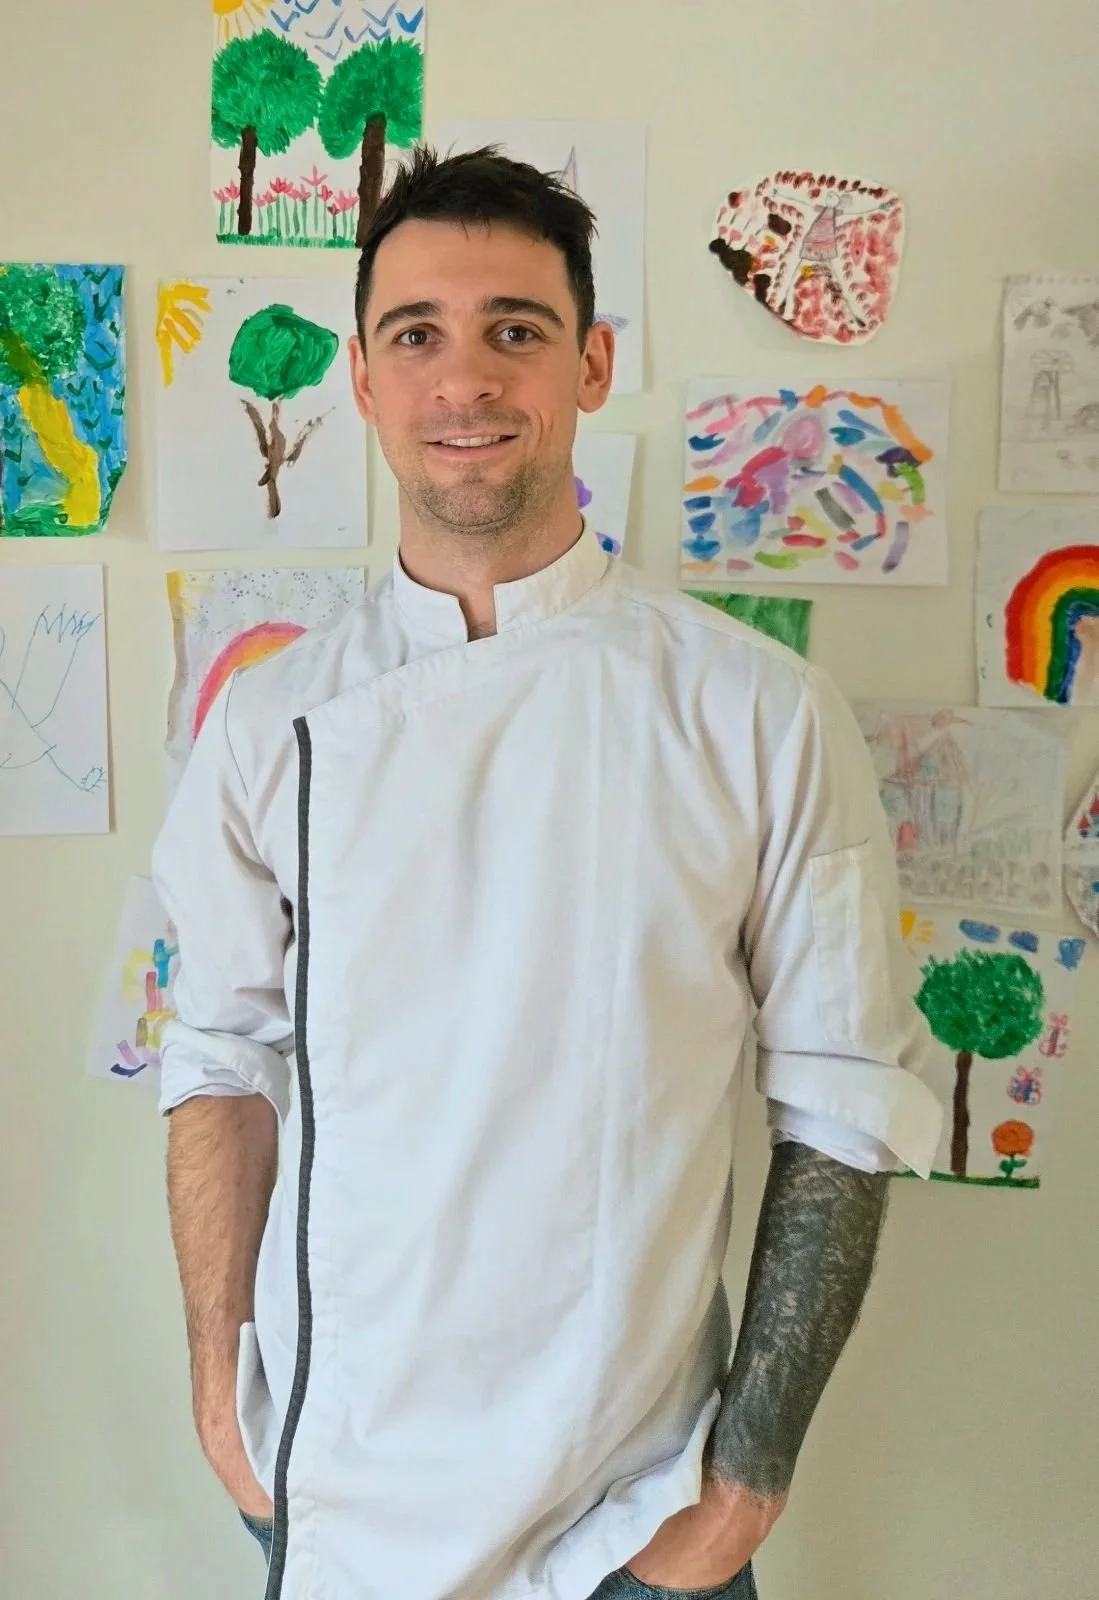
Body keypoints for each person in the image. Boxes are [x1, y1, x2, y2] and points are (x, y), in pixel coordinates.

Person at [152, 146, 943, 1600]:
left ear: (590, 363)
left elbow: (845, 1099)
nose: (464, 378)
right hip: (336, 1487)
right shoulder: (268, 723)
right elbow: (217, 1058)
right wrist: (220, 1393)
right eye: (416, 335)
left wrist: (740, 1494)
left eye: (513, 329)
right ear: (363, 380)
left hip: (637, 1519)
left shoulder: (755, 710)